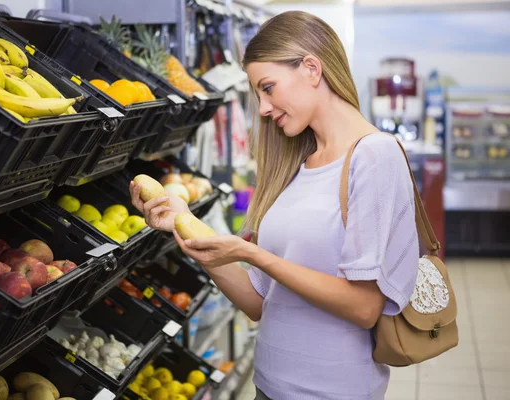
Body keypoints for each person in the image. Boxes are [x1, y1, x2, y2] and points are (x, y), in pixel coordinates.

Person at [130, 10, 419, 400]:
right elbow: (259, 303)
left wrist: (254, 254)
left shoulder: (374, 156)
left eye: (268, 87)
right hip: (269, 386)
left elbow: (363, 306)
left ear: (312, 69)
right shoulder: (297, 167)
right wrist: (190, 231)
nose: (263, 108)